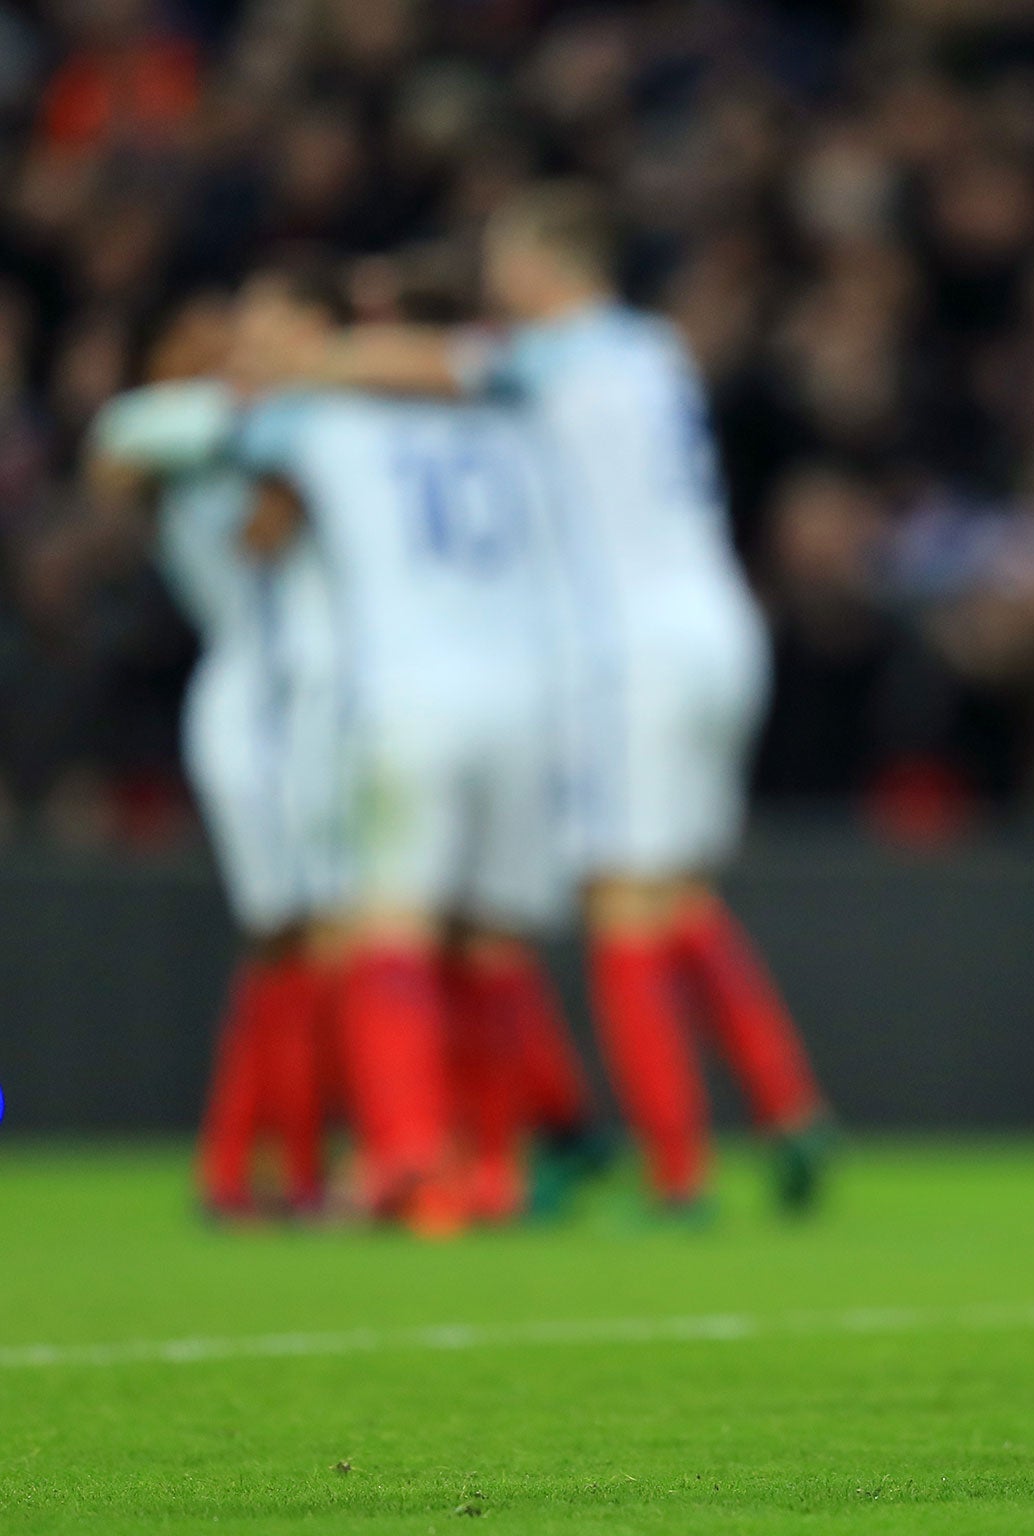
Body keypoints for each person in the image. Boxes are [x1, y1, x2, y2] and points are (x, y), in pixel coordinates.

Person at [263, 185, 831, 1217]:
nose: (498, 281)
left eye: (508, 261)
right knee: (680, 897)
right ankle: (788, 1108)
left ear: (547, 264)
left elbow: (438, 364)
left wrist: (312, 359)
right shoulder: (654, 348)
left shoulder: (559, 356)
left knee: (621, 903)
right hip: (720, 626)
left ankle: (673, 1177)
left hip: (633, 648)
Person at [231, 260, 571, 1232]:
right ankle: (499, 1170)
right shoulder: (517, 417)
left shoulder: (321, 420)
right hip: (522, 696)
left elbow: (218, 440)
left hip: (408, 702)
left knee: (391, 933)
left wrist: (305, 364)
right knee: (491, 942)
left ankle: (410, 1163)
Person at [87, 298, 337, 1219]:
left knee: (295, 944)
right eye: (206, 343)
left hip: (303, 698)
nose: (231, 354)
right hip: (254, 698)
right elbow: (117, 444)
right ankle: (265, 1167)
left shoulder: (267, 431)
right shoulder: (189, 438)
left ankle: (248, 1167)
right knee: (293, 936)